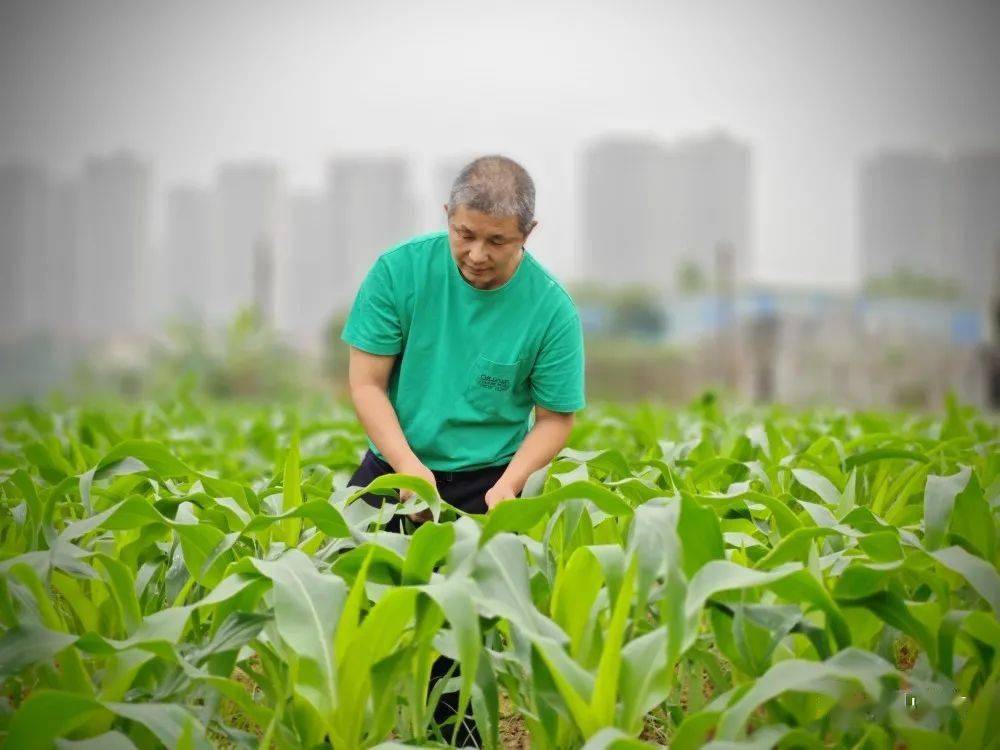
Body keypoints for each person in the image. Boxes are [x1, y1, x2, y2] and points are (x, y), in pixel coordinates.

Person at [340, 154, 586, 744]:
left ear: (527, 235)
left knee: (458, 645)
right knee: (343, 617)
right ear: (448, 217)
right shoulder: (400, 273)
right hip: (395, 466)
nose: (477, 254)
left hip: (486, 483)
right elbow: (366, 383)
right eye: (465, 234)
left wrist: (512, 484)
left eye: (496, 241)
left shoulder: (550, 308)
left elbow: (555, 418)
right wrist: (407, 468)